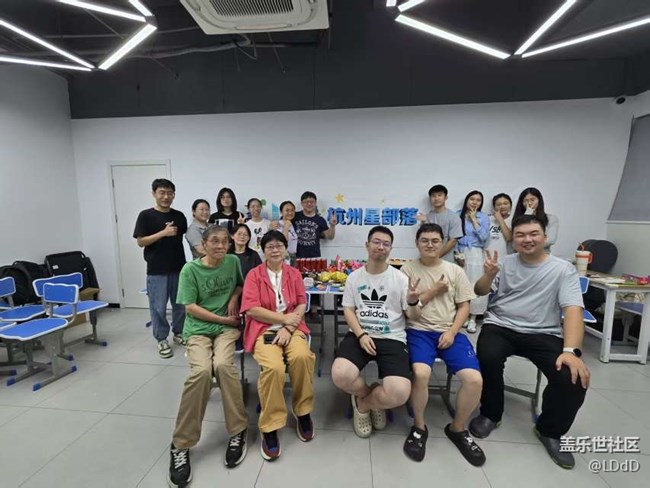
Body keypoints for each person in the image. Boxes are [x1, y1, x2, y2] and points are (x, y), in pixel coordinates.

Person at [469, 214, 590, 469]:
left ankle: (550, 431)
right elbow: (479, 291)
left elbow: (573, 310)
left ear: (544, 237)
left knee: (571, 377)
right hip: (501, 325)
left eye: (533, 234)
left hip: (544, 332)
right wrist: (488, 275)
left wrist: (571, 351)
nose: (527, 239)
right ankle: (490, 414)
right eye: (520, 235)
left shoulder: (562, 269)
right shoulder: (504, 263)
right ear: (513, 239)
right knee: (488, 356)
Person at [168, 226, 248, 487]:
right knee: (201, 372)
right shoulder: (190, 270)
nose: (221, 245)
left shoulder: (232, 261)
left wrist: (234, 298)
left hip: (226, 331)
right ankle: (181, 444)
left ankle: (238, 431)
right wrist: (222, 318)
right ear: (203, 244)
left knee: (224, 366)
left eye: (225, 241)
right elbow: (190, 307)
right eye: (215, 241)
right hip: (198, 330)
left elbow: (240, 284)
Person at [401, 223, 485, 466]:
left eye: (435, 240)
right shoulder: (406, 270)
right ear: (417, 243)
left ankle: (458, 428)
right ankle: (419, 427)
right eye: (425, 240)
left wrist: (452, 331)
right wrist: (434, 290)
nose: (430, 245)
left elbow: (464, 306)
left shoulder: (454, 270)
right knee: (421, 373)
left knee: (474, 379)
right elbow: (409, 310)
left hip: (451, 330)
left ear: (442, 243)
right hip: (418, 331)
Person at [240, 230, 315, 461]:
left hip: (292, 328)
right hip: (263, 329)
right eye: (270, 246)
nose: (275, 250)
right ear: (263, 250)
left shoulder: (294, 273)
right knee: (273, 368)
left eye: (279, 246)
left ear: (285, 249)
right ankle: (270, 425)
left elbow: (301, 303)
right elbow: (251, 309)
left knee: (302, 357)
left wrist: (289, 328)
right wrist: (283, 319)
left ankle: (302, 411)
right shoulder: (254, 275)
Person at [331, 226, 412, 439]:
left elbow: (414, 315)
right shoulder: (354, 277)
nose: (381, 247)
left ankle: (365, 404)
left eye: (386, 244)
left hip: (392, 337)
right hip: (361, 334)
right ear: (367, 245)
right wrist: (360, 334)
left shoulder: (400, 278)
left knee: (400, 392)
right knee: (340, 374)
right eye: (376, 242)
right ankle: (372, 395)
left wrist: (413, 302)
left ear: (391, 249)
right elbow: (348, 309)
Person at [133, 178, 187, 358]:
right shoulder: (146, 216)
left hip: (179, 268)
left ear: (174, 195)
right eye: (162, 193)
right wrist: (163, 233)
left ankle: (179, 333)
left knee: (180, 305)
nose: (166, 197)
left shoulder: (179, 216)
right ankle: (162, 339)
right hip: (156, 270)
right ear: (154, 194)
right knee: (158, 308)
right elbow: (141, 242)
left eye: (169, 193)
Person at [456, 190, 490, 334]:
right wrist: (457, 253)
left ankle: (473, 318)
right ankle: (462, 315)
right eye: (472, 199)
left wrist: (474, 220)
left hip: (476, 252)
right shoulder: (458, 214)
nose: (475, 202)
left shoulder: (483, 217)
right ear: (467, 200)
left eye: (478, 200)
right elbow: (454, 236)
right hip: (460, 252)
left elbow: (484, 237)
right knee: (461, 284)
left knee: (475, 284)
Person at [416, 185, 463, 263]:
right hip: (427, 260)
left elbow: (453, 241)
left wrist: (436, 256)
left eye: (439, 195)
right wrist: (423, 222)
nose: (436, 198)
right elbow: (423, 238)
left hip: (446, 260)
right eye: (433, 196)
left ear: (446, 197)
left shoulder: (453, 216)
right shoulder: (427, 216)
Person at [512, 187, 558, 253]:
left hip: (543, 254)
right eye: (525, 201)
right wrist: (527, 215)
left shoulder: (551, 218)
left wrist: (528, 245)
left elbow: (551, 240)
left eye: (532, 200)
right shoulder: (517, 219)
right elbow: (514, 244)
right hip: (522, 255)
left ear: (539, 200)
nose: (529, 203)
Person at [294, 191, 337, 258]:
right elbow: (283, 223)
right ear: (302, 203)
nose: (309, 204)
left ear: (315, 203)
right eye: (306, 202)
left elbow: (330, 237)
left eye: (312, 202)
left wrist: (332, 226)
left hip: (314, 257)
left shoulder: (320, 220)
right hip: (296, 256)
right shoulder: (294, 216)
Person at [487, 193, 513, 257]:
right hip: (487, 256)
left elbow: (509, 238)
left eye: (505, 203)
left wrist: (500, 219)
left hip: (506, 257)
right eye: (499, 204)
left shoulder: (513, 219)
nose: (502, 206)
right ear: (494, 207)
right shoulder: (487, 219)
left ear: (510, 205)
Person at [278, 200, 298, 265]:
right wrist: (286, 227)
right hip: (283, 257)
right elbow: (282, 241)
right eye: (287, 210)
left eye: (292, 210)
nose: (290, 213)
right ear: (281, 212)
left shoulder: (292, 224)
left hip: (293, 256)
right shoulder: (278, 225)